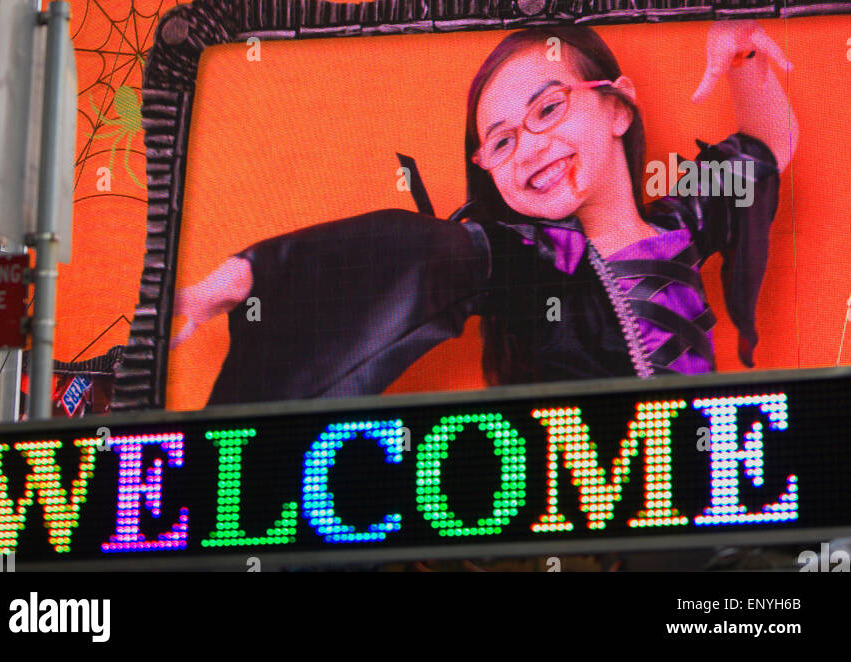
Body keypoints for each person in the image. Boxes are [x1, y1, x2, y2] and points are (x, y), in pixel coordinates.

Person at [171, 21, 797, 400]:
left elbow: (768, 147)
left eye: (548, 108)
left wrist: (740, 53)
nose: (530, 146)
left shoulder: (681, 226)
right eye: (500, 141)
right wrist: (247, 276)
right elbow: (410, 253)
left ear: (617, 108)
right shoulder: (528, 258)